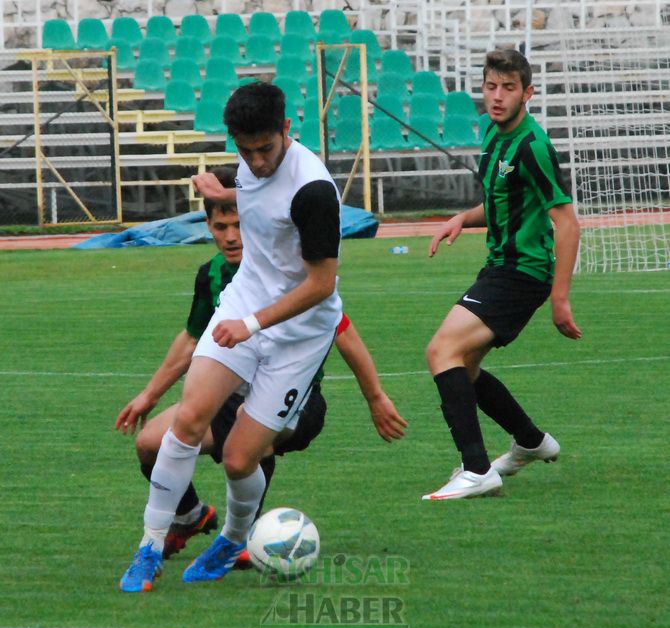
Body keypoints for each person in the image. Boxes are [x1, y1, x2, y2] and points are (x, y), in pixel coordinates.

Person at [119, 82, 402, 592]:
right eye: (244, 151)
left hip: (299, 331)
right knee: (187, 419)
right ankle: (149, 544)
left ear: (287, 131)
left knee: (238, 458)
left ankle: (230, 537)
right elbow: (255, 191)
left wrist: (249, 326)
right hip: (246, 301)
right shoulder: (251, 164)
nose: (256, 160)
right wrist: (223, 192)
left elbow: (321, 285)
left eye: (265, 149)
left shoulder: (314, 191)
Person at [422, 49, 582, 501]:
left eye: (508, 88)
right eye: (491, 86)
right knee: (465, 367)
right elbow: (502, 206)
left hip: (522, 273)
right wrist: (462, 218)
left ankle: (476, 470)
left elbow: (567, 222)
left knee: (442, 351)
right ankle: (531, 441)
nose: (497, 96)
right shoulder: (494, 138)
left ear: (527, 93)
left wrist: (560, 298)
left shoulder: (533, 147)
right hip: (500, 267)